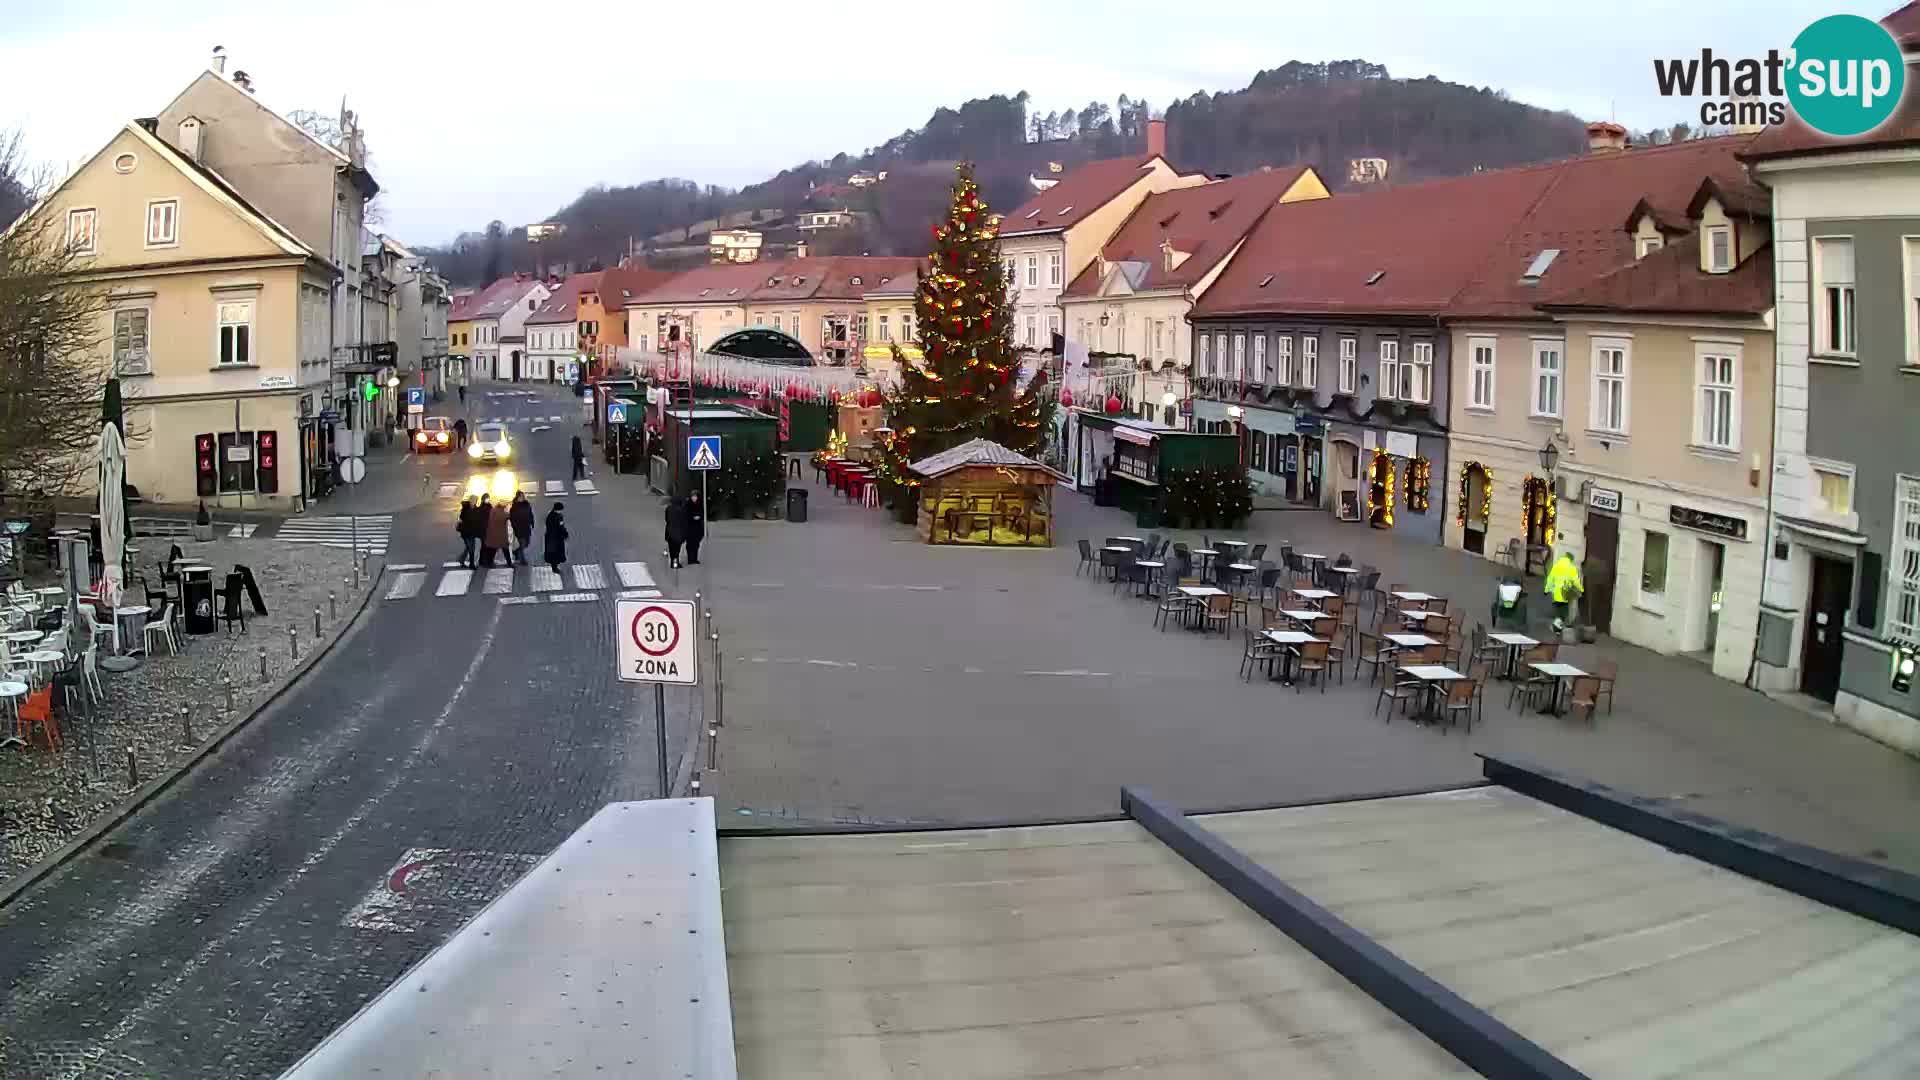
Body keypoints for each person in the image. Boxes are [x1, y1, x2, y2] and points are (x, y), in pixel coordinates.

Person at [1544, 549, 1583, 633]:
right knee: (1564, 613)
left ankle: (1556, 628)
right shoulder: (1572, 568)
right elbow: (1576, 581)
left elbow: (1550, 578)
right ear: (1571, 559)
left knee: (1558, 612)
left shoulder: (1556, 566)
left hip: (1556, 593)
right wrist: (1581, 589)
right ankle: (1556, 628)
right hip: (1565, 593)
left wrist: (1546, 589)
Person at [508, 491, 535, 566]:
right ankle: (522, 560)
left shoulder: (527, 504)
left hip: (526, 527)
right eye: (520, 497)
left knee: (527, 543)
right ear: (517, 497)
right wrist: (515, 527)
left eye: (522, 496)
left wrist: (532, 523)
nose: (522, 498)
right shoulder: (514, 507)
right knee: (522, 544)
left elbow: (530, 514)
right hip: (519, 528)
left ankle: (516, 552)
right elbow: (512, 518)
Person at [484, 497, 511, 569]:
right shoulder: (503, 513)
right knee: (505, 549)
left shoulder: (493, 510)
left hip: (492, 534)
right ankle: (509, 563)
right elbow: (509, 516)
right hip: (501, 535)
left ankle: (489, 562)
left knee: (493, 550)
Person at [544, 502, 569, 575]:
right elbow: (561, 527)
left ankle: (555, 566)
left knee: (553, 553)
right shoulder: (558, 516)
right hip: (556, 538)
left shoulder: (550, 515)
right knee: (555, 553)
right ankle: (554, 567)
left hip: (551, 537)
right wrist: (565, 534)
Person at [455, 497, 480, 567]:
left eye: (476, 501)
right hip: (465, 533)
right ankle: (471, 564)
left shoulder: (476, 509)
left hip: (472, 532)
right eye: (474, 501)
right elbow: (461, 519)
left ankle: (461, 559)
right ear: (470, 501)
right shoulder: (465, 509)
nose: (474, 502)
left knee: (469, 548)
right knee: (471, 548)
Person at [665, 495, 688, 568]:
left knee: (671, 548)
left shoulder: (668, 508)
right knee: (677, 549)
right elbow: (684, 521)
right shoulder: (682, 510)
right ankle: (676, 562)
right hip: (679, 532)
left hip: (669, 532)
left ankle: (672, 562)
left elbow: (667, 519)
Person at [684, 491, 706, 565]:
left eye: (695, 496)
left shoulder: (700, 504)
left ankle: (695, 559)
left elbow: (702, 514)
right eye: (693, 496)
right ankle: (690, 559)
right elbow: (686, 515)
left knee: (696, 544)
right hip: (689, 527)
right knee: (690, 544)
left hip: (698, 527)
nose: (694, 498)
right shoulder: (687, 504)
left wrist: (699, 517)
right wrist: (693, 517)